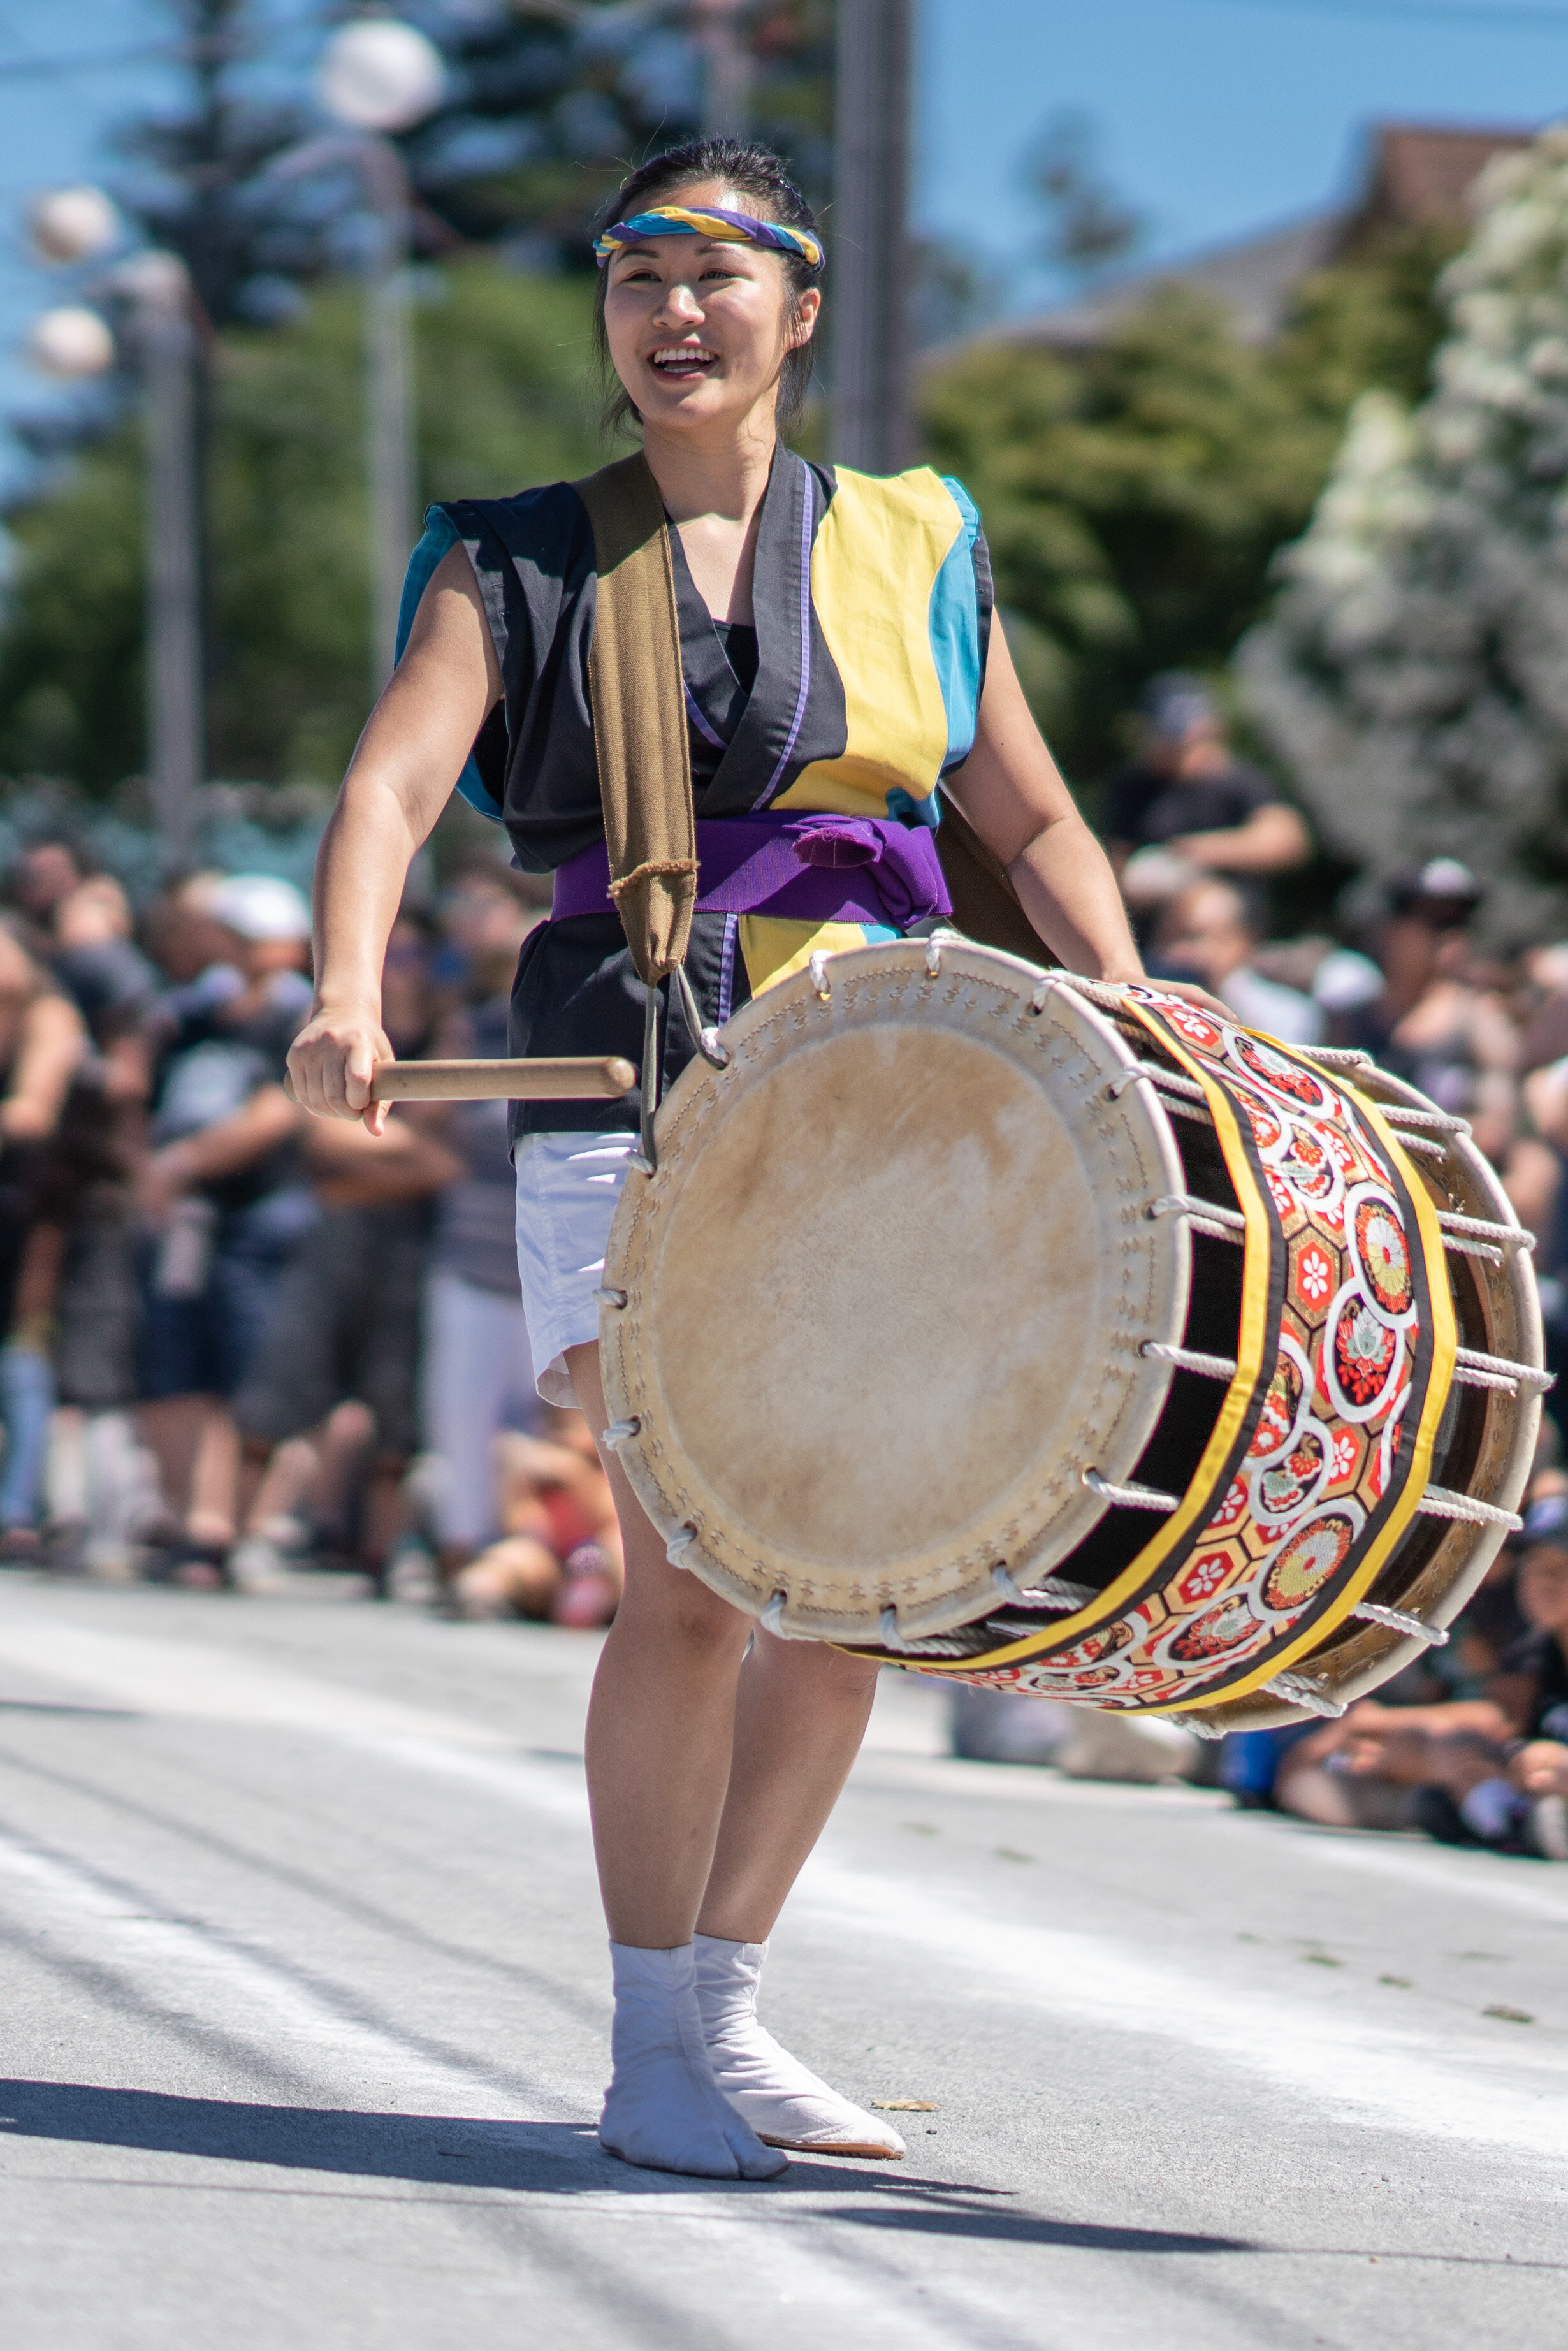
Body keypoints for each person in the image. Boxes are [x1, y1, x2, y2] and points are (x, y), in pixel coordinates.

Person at [288, 137, 1207, 2183]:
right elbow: (389, 778)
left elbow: (1037, 826)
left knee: (846, 1596)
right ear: (608, 313)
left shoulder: (911, 539)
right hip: (635, 1078)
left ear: (803, 306)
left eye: (719, 274)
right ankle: (641, 2040)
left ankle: (722, 2006)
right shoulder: (517, 556)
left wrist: (1135, 996)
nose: (672, 312)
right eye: (636, 274)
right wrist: (346, 985)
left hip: (890, 1097)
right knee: (694, 1573)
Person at [1103, 674, 1310, 917]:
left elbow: (1289, 840)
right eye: (1173, 740)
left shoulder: (1236, 780)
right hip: (1159, 933)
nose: (1186, 749)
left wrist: (1199, 853)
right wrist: (1143, 876)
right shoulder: (1131, 787)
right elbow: (1115, 861)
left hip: (1236, 928)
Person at [1152, 878, 1323, 1047]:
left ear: (1241, 940)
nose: (1180, 952)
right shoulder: (1157, 995)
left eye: (1196, 937)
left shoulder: (1288, 1012)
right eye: (1172, 939)